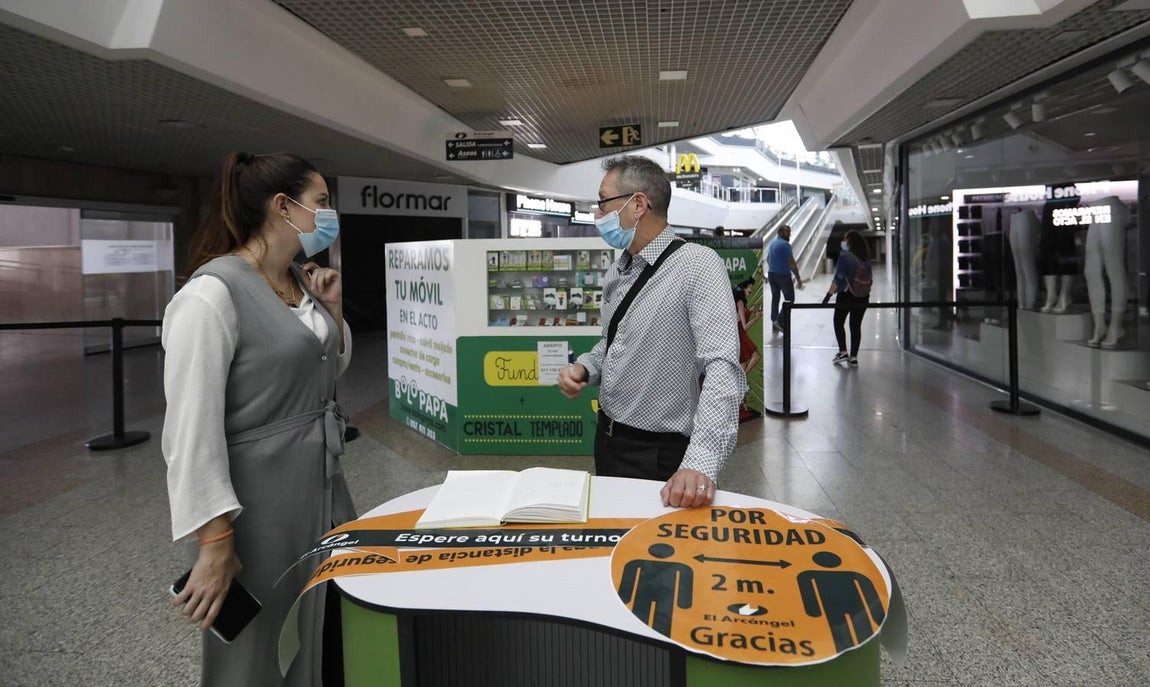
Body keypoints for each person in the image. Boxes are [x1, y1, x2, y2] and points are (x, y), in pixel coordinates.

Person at [162, 152, 355, 686]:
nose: (328, 214)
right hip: (259, 501)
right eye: (321, 203)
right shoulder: (210, 296)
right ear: (282, 206)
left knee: (320, 628)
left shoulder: (300, 282)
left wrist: (332, 312)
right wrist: (214, 541)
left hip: (322, 485)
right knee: (258, 647)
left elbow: (325, 369)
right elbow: (190, 430)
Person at [558, 156, 746, 509]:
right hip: (609, 439)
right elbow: (613, 343)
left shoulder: (697, 266)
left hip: (660, 455)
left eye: (603, 202)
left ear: (638, 204)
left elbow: (722, 366)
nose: (598, 214)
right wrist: (585, 368)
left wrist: (699, 462)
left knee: (659, 558)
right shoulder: (620, 269)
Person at [824, 230, 872, 368]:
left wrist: (828, 295)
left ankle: (843, 351)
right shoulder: (866, 258)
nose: (843, 243)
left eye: (845, 240)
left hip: (846, 295)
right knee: (855, 326)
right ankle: (854, 357)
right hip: (863, 297)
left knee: (838, 322)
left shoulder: (845, 257)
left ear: (850, 242)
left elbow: (838, 278)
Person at [732, 278, 762, 421]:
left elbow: (742, 316)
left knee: (747, 362)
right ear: (744, 288)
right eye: (749, 287)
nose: (751, 290)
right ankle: (740, 404)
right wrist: (756, 319)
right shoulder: (740, 302)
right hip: (739, 334)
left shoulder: (741, 303)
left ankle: (741, 404)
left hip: (738, 334)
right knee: (755, 357)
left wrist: (752, 310)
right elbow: (744, 326)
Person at [765, 224, 804, 332]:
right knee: (790, 299)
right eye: (787, 231)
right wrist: (798, 278)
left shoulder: (772, 243)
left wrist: (775, 267)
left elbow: (768, 259)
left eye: (789, 231)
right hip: (783, 276)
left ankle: (774, 322)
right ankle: (779, 321)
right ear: (780, 232)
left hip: (772, 274)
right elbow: (791, 263)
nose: (789, 234)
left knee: (775, 299)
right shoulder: (785, 245)